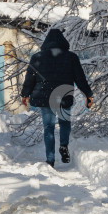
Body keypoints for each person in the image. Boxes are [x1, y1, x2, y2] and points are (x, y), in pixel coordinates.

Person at [20, 28, 93, 167]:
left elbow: (30, 78)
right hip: (63, 96)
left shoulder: (37, 57)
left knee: (49, 127)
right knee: (65, 122)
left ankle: (50, 159)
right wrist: (87, 95)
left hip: (44, 97)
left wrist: (25, 94)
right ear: (63, 41)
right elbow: (80, 78)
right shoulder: (71, 57)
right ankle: (64, 145)